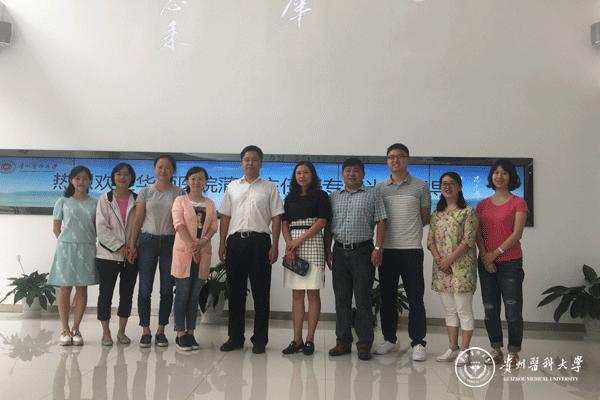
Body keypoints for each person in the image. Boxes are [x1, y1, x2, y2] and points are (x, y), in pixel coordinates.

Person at [218, 145, 284, 354]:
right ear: (241, 163)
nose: (250, 163)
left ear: (261, 163)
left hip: (260, 243)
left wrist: (275, 245)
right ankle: (235, 337)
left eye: (254, 159)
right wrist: (221, 243)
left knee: (261, 293)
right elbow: (225, 216)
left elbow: (276, 217)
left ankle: (260, 340)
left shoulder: (270, 188)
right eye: (247, 159)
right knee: (235, 292)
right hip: (236, 242)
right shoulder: (232, 187)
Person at [375, 143, 431, 361]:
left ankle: (418, 342)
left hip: (411, 250)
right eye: (391, 157)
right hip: (387, 250)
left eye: (399, 156)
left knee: (416, 298)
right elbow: (378, 219)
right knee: (387, 297)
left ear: (407, 159)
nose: (395, 160)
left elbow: (425, 217)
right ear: (387, 161)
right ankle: (390, 339)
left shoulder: (420, 186)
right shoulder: (380, 188)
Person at [326, 157, 386, 361]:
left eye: (356, 171)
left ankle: (364, 344)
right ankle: (342, 342)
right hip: (339, 252)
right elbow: (328, 227)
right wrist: (328, 251)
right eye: (348, 170)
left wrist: (378, 248)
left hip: (364, 252)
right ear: (342, 174)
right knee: (341, 299)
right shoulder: (333, 197)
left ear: (363, 174)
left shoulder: (373, 194)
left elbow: (381, 221)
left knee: (363, 299)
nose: (351, 174)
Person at [128, 155, 185, 348]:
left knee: (167, 289)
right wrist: (132, 244)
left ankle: (161, 330)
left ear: (173, 171)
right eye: (160, 167)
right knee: (145, 288)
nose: (163, 171)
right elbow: (137, 220)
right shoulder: (145, 191)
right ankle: (145, 330)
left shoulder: (179, 193)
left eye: (167, 168)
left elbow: (181, 221)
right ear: (154, 169)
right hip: (147, 241)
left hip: (170, 242)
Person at [476, 159, 528, 368]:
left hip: (510, 263)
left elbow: (517, 234)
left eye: (504, 173)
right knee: (490, 308)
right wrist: (484, 256)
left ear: (511, 177)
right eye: (496, 172)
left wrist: (494, 254)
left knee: (513, 309)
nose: (499, 176)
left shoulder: (518, 203)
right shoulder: (482, 204)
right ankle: (496, 350)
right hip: (486, 262)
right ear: (491, 176)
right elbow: (478, 233)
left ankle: (513, 352)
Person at [280, 161, 331, 356]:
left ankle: (310, 339)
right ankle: (297, 340)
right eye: (299, 173)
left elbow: (322, 221)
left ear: (313, 175)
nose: (302, 176)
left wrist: (298, 241)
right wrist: (289, 244)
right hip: (293, 247)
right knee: (296, 294)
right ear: (295, 176)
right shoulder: (289, 197)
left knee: (313, 294)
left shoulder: (321, 195)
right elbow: (284, 223)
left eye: (306, 172)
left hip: (313, 244)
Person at [426, 172, 478, 362]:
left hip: (462, 269)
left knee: (463, 310)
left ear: (459, 187)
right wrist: (440, 260)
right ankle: (452, 348)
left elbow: (468, 241)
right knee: (449, 310)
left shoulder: (468, 212)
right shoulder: (436, 214)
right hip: (442, 269)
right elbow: (430, 241)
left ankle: (465, 350)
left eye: (451, 183)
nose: (447, 187)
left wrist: (449, 260)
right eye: (444, 184)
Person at [49, 165, 98, 346]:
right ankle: (64, 329)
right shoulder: (62, 201)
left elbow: (98, 227)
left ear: (90, 181)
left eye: (85, 178)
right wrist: (67, 243)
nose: (81, 181)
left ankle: (76, 329)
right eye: (77, 178)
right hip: (66, 248)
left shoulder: (96, 203)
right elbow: (56, 228)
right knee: (64, 289)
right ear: (71, 180)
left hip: (87, 248)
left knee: (82, 289)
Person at [171, 166, 217, 351]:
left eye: (200, 178)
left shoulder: (210, 203)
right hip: (184, 252)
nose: (197, 182)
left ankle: (190, 332)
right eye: (193, 178)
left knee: (194, 296)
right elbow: (178, 224)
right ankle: (180, 333)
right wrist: (192, 245)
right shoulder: (180, 200)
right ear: (187, 181)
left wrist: (202, 242)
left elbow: (213, 227)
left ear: (205, 181)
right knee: (182, 295)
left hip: (203, 253)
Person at [96, 162, 138, 346]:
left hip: (132, 256)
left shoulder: (137, 199)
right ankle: (106, 333)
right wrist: (120, 247)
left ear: (132, 178)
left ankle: (122, 331)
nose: (123, 177)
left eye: (126, 174)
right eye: (119, 174)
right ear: (113, 177)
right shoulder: (105, 199)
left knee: (127, 295)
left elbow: (140, 226)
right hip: (108, 256)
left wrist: (132, 248)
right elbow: (101, 228)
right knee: (105, 294)